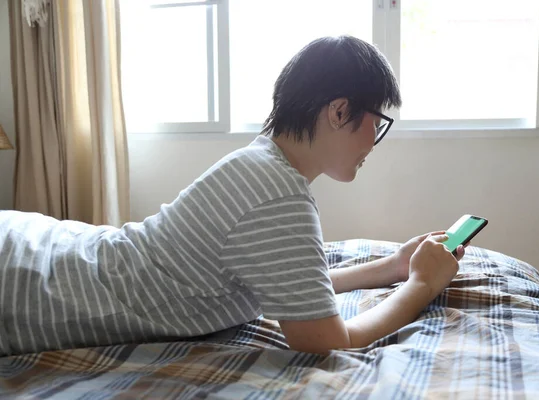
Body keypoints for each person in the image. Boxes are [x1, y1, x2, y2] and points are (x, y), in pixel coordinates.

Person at [0, 35, 464, 356]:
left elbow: (288, 283)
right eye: (376, 124)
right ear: (340, 111)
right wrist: (421, 286)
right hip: (30, 289)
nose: (374, 142)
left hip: (47, 254)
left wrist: (392, 267)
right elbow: (325, 340)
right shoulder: (277, 194)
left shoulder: (262, 161)